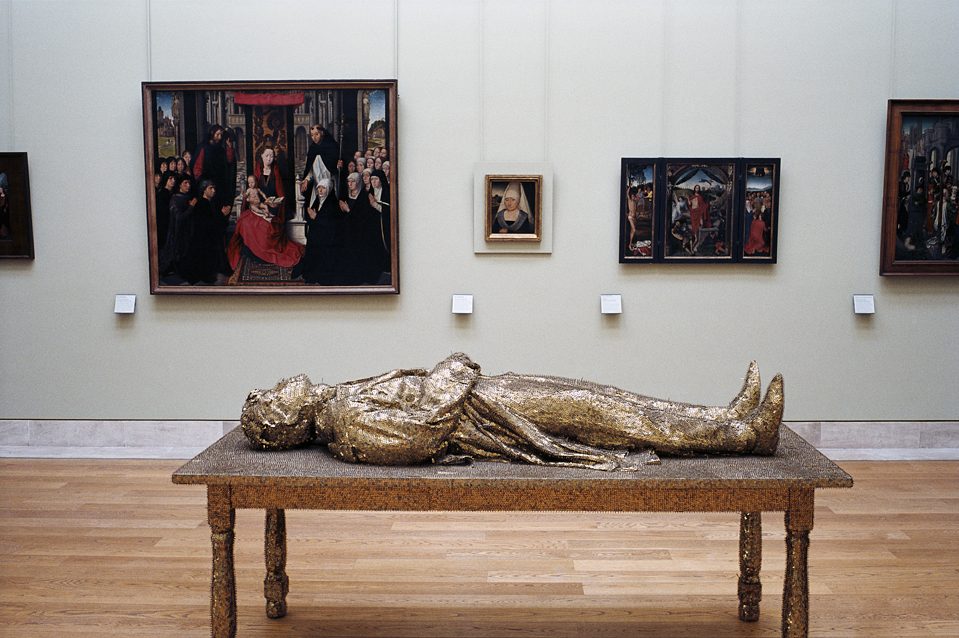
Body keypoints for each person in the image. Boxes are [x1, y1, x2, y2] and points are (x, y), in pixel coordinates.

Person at [241, 353, 783, 472]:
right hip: (489, 415)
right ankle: (740, 435)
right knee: (614, 415)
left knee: (613, 402)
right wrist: (452, 369)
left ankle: (724, 420)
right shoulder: (343, 417)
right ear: (283, 426)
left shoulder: (338, 402)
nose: (279, 386)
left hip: (489, 399)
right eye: (271, 398)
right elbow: (420, 434)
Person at [295, 178, 342, 284]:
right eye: (318, 188)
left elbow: (332, 225)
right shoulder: (317, 199)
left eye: (323, 188)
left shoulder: (333, 204)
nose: (320, 191)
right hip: (317, 235)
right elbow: (310, 217)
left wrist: (316, 217)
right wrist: (311, 216)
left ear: (329, 189)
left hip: (328, 239)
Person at [300, 125, 342, 204]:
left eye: (316, 134)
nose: (314, 137)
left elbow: (335, 169)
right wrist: (306, 179)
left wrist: (338, 166)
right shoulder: (313, 149)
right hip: (317, 187)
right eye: (312, 135)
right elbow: (311, 170)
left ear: (322, 133)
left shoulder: (332, 146)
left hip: (330, 186)